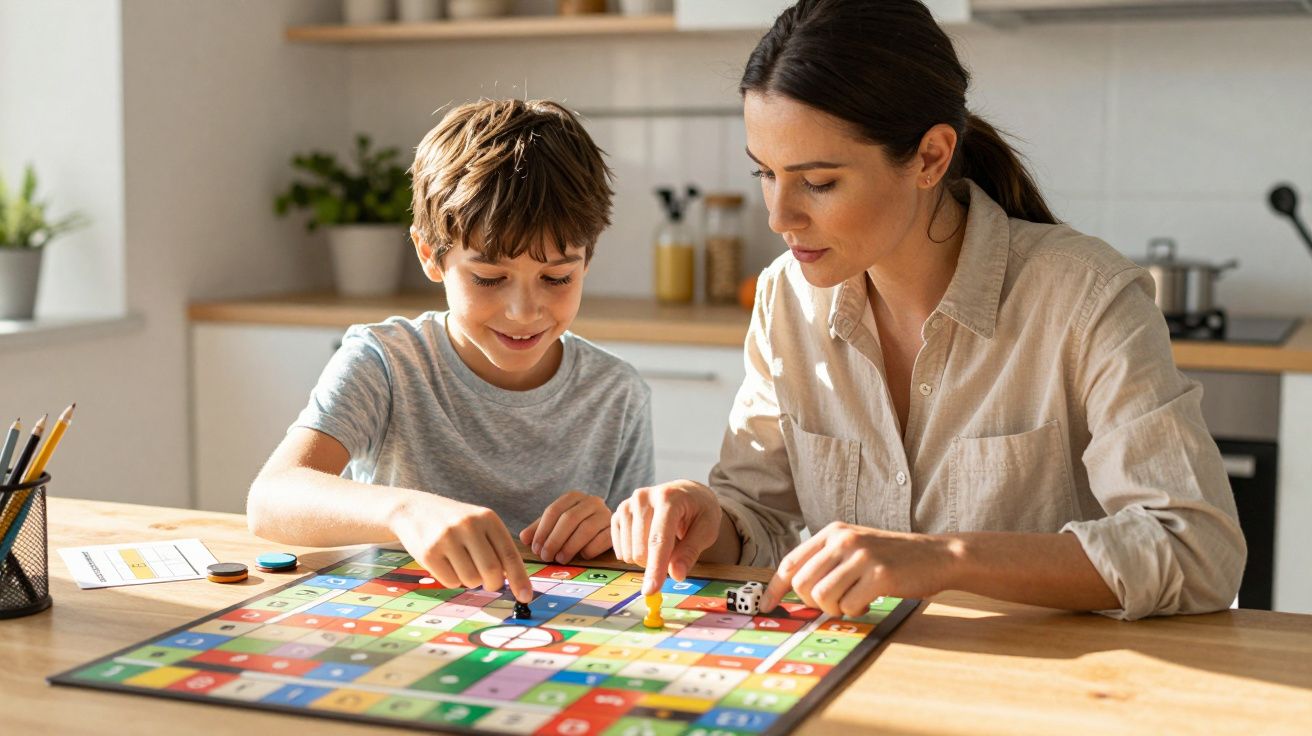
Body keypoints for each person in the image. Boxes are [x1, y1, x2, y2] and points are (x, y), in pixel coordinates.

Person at [611, 0, 1244, 621]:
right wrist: (706, 518)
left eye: (820, 182)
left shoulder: (1085, 296)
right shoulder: (786, 296)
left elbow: (1196, 549)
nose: (779, 217)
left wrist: (945, 559)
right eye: (766, 174)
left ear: (931, 157)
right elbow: (763, 523)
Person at [249, 99, 655, 604]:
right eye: (489, 277)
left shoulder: (617, 394)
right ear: (429, 255)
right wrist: (407, 512)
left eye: (557, 277)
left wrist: (613, 531)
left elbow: (635, 561)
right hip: (398, 630)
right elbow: (271, 499)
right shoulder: (386, 363)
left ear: (587, 259)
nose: (524, 311)